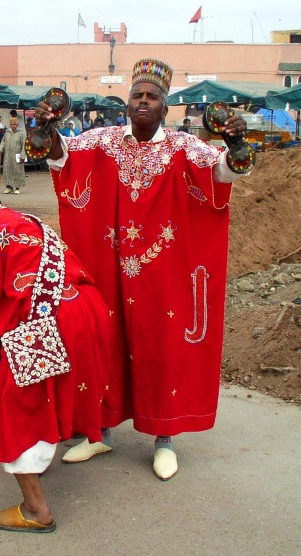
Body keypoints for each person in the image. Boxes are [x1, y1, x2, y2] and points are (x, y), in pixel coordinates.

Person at [36, 58, 250, 480]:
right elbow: (62, 160)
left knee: (161, 347)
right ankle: (101, 433)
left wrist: (237, 146)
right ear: (127, 102)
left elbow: (223, 172)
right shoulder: (102, 141)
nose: (144, 102)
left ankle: (163, 438)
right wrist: (45, 132)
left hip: (164, 274)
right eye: (138, 95)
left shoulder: (185, 147)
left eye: (153, 97)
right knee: (106, 341)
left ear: (164, 106)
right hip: (108, 267)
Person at [0, 183, 114, 533]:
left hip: (46, 323)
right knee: (49, 393)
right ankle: (40, 458)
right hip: (86, 311)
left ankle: (36, 510)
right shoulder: (29, 220)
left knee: (13, 407)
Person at [0, 117, 26, 194]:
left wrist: (23, 155)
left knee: (17, 171)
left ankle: (17, 187)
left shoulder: (21, 133)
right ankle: (9, 187)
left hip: (17, 155)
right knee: (7, 171)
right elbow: (3, 141)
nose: (13, 126)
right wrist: (0, 149)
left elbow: (24, 145)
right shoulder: (7, 132)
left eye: (14, 124)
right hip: (7, 155)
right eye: (11, 124)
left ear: (17, 125)